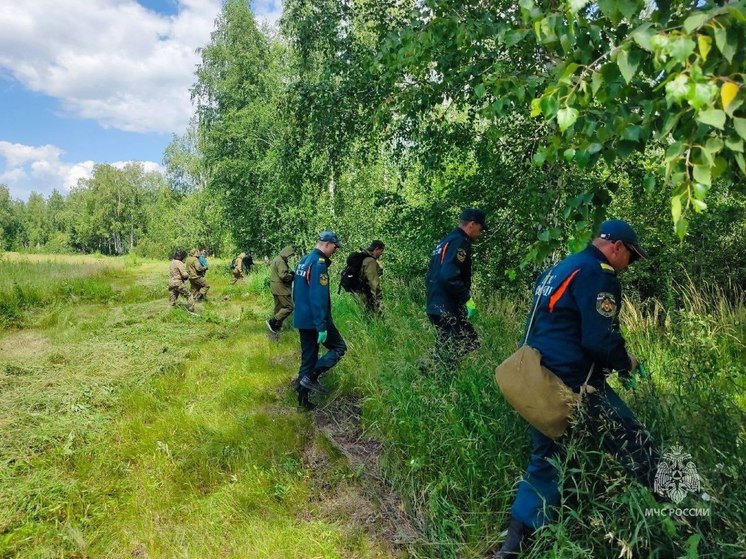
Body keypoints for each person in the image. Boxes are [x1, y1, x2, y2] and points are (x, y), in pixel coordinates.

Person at [492, 220, 660, 558]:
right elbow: (599, 339)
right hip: (573, 386)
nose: (629, 265)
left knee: (546, 460)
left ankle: (511, 548)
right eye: (631, 257)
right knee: (638, 443)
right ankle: (693, 509)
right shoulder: (599, 274)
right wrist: (626, 362)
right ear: (617, 248)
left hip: (539, 380)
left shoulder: (564, 266)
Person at [422, 208, 487, 372]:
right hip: (448, 306)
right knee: (469, 340)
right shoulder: (460, 241)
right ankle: (436, 373)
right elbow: (448, 275)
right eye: (480, 228)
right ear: (472, 224)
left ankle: (429, 370)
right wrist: (467, 299)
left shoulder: (445, 241)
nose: (480, 233)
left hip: (435, 303)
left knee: (446, 344)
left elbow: (430, 275)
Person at [293, 231, 347, 411]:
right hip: (316, 319)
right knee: (339, 347)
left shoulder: (304, 260)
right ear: (327, 244)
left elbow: (296, 291)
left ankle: (302, 402)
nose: (335, 250)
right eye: (335, 247)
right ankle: (312, 375)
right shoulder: (319, 263)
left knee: (307, 358)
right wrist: (322, 325)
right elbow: (318, 297)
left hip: (302, 318)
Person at [267, 245, 296, 334]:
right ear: (286, 253)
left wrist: (290, 272)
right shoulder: (281, 261)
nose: (290, 257)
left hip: (275, 287)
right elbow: (283, 276)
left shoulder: (277, 259)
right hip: (281, 288)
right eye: (290, 255)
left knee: (279, 307)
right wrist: (293, 276)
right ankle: (272, 321)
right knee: (289, 307)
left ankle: (276, 326)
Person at [357, 240, 385, 315]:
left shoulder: (364, 258)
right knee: (370, 316)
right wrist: (379, 299)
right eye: (381, 251)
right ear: (376, 249)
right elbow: (374, 283)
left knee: (365, 315)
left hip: (359, 292)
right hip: (365, 294)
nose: (381, 253)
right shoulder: (370, 261)